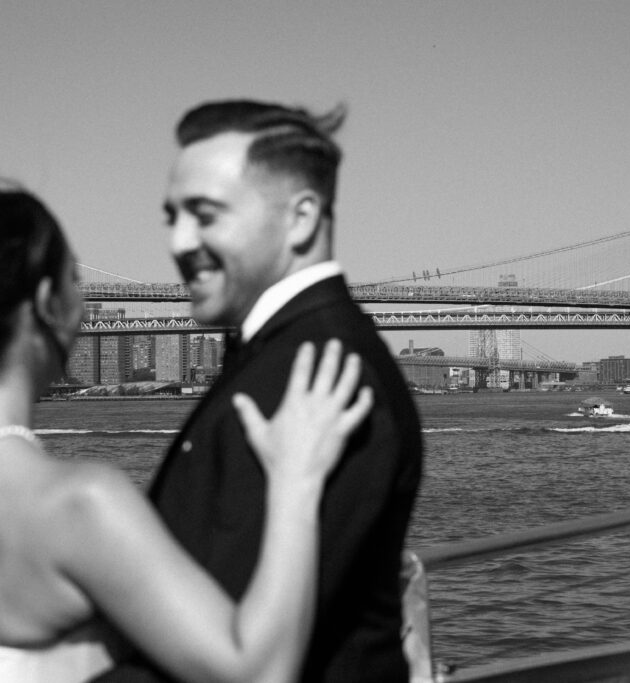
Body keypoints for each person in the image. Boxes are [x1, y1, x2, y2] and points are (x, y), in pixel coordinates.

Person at [0, 186, 374, 683]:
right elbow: (258, 673)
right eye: (75, 283)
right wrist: (296, 480)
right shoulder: (82, 505)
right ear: (46, 305)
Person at [99, 100, 424, 682]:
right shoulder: (287, 355)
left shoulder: (311, 375)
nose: (178, 241)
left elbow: (228, 652)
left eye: (204, 214)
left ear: (300, 218)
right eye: (171, 216)